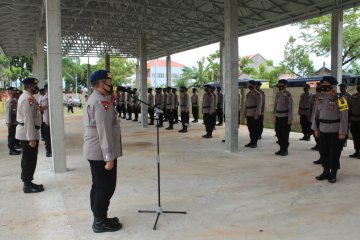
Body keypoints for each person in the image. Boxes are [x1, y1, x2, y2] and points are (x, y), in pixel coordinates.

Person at [84, 70, 122, 233]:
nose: (111, 84)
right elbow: (104, 130)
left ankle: (100, 217)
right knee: (105, 187)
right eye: (108, 81)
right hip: (101, 153)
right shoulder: (100, 102)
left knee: (99, 186)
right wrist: (109, 157)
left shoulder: (100, 99)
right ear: (100, 83)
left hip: (96, 151)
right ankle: (99, 222)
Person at [312, 76, 348, 183]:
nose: (323, 87)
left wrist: (343, 131)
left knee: (334, 153)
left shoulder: (341, 98)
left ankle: (333, 173)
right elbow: (315, 115)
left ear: (332, 86)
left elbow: (344, 116)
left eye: (326, 85)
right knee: (323, 152)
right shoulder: (319, 98)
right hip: (322, 129)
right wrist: (315, 129)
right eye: (322, 85)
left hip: (335, 130)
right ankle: (325, 171)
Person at [15, 77, 44, 193]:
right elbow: (28, 120)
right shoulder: (27, 99)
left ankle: (29, 182)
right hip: (27, 134)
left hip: (28, 132)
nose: (36, 88)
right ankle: (27, 185)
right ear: (29, 86)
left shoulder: (28, 97)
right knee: (28, 160)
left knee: (30, 160)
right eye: (34, 86)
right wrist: (31, 138)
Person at [274, 79, 293, 156]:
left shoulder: (288, 94)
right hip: (278, 116)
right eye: (279, 84)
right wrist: (274, 115)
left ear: (285, 85)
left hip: (285, 117)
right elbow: (276, 105)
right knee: (278, 133)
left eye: (281, 84)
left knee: (284, 134)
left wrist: (290, 118)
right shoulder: (278, 94)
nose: (280, 86)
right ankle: (281, 148)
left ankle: (285, 150)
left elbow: (291, 107)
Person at [244, 80, 262, 148]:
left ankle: (255, 142)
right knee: (250, 128)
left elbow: (259, 105)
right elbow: (246, 104)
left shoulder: (258, 93)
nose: (248, 86)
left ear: (254, 85)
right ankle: (251, 141)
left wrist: (257, 114)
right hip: (249, 113)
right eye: (248, 85)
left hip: (254, 113)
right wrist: (245, 112)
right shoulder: (248, 93)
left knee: (255, 129)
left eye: (249, 85)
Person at [5, 87, 21, 155]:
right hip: (12, 122)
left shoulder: (13, 100)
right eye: (14, 91)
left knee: (13, 135)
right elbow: (8, 112)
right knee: (11, 136)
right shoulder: (10, 100)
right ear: (10, 92)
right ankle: (11, 150)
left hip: (14, 121)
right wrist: (8, 122)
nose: (15, 93)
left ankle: (14, 147)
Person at [40, 84, 52, 157]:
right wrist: (48, 122)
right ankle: (48, 151)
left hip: (48, 121)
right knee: (48, 137)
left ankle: (49, 150)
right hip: (48, 121)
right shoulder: (46, 98)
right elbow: (46, 112)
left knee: (49, 136)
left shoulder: (47, 97)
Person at [349, 81, 360, 159]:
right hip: (353, 120)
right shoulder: (353, 96)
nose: (358, 87)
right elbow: (349, 108)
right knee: (355, 137)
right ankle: (357, 151)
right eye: (358, 85)